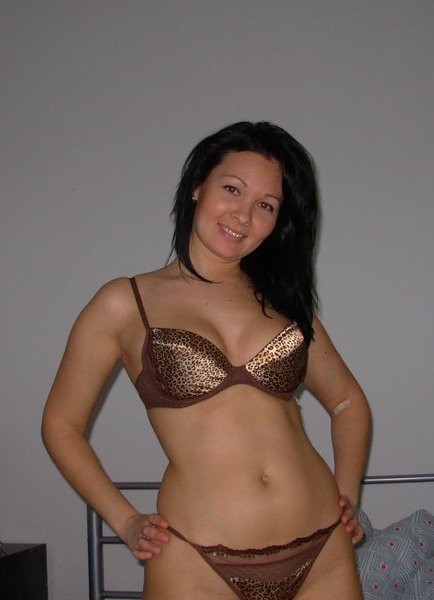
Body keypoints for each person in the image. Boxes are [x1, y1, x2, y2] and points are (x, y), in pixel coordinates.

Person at [42, 121, 371, 599]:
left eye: (266, 205)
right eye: (232, 189)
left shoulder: (285, 304)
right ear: (198, 186)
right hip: (195, 559)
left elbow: (347, 403)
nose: (243, 214)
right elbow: (60, 424)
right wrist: (125, 520)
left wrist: (348, 493)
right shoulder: (125, 302)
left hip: (322, 549)